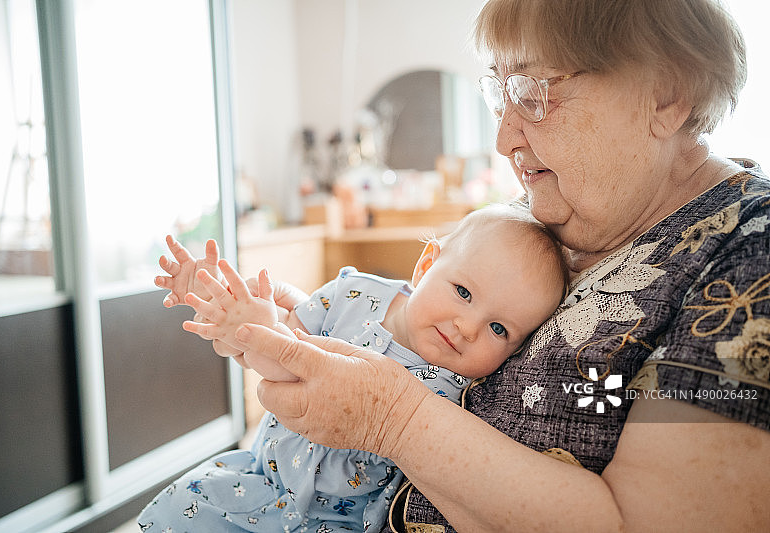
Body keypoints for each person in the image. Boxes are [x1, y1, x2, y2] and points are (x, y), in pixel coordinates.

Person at [207, 1, 770, 531]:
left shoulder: (750, 253)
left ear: (666, 95)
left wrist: (392, 419)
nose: (503, 140)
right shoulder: (544, 214)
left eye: (531, 93)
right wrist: (311, 327)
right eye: (501, 95)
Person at [139, 204, 567, 532]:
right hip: (261, 481)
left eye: (499, 328)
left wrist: (260, 331)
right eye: (463, 292)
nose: (467, 328)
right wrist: (234, 312)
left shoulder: (462, 388)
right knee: (182, 506)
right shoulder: (355, 292)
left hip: (341, 522)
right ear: (425, 265)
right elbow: (283, 346)